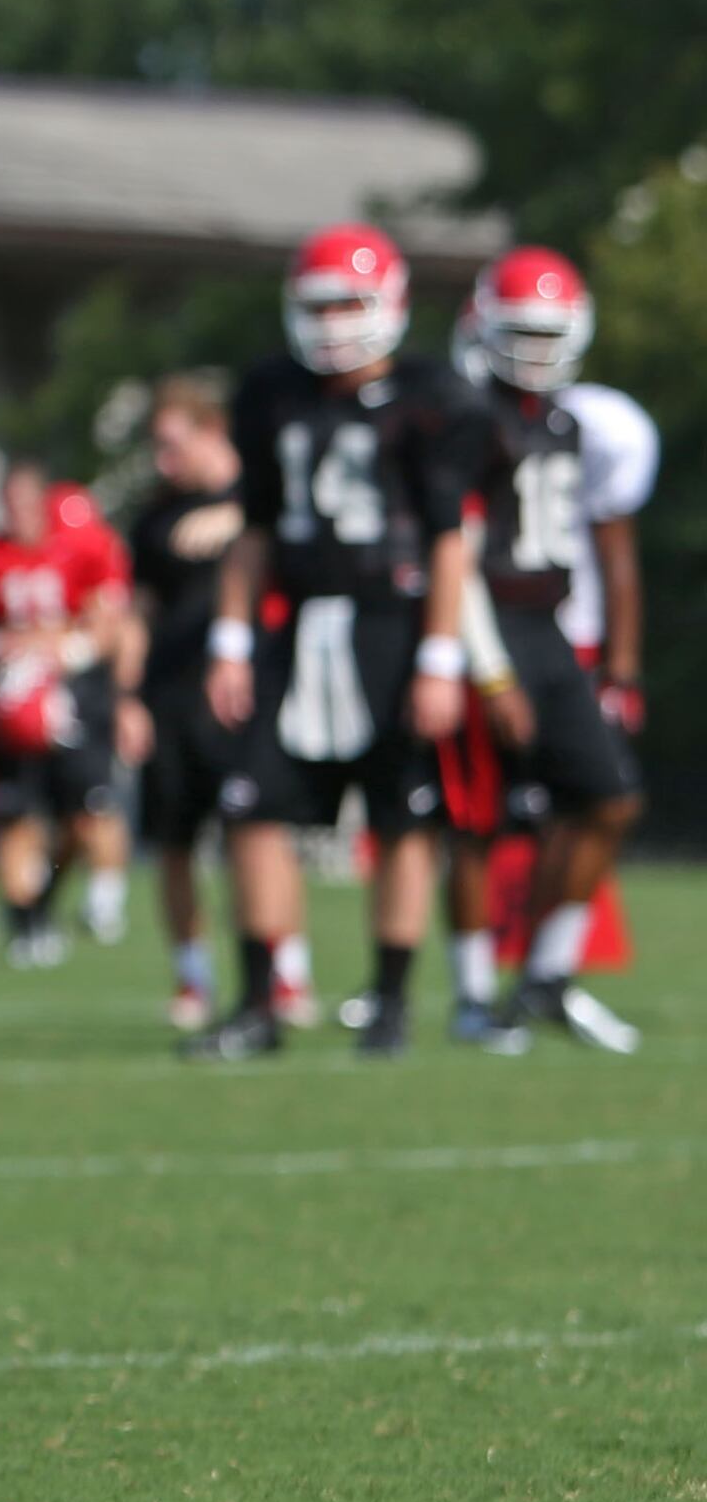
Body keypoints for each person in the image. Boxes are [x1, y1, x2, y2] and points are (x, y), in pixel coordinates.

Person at [189, 223, 486, 1063]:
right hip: (299, 621)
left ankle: (389, 1002)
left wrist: (439, 656)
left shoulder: (434, 397)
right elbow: (252, 529)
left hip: (393, 625)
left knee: (404, 818)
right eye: (318, 305)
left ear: (389, 304)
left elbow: (448, 538)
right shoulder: (270, 393)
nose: (333, 323)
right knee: (252, 807)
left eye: (350, 302)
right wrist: (232, 640)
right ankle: (260, 1001)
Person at [443, 250, 646, 1053]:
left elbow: (606, 546)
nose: (533, 347)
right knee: (477, 823)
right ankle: (470, 999)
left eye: (547, 332)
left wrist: (617, 664)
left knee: (608, 798)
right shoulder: (468, 421)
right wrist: (488, 670)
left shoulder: (565, 420)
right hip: (484, 627)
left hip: (552, 631)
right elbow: (455, 555)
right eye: (519, 330)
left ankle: (547, 979)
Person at [0, 457, 131, 967]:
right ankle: (25, 922)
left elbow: (110, 626)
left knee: (87, 810)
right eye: (9, 503)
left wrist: (63, 650)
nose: (18, 513)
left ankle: (90, 898)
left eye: (27, 502)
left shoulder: (81, 547)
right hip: (5, 705)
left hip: (73, 698)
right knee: (15, 817)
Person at [117, 376, 247, 1030]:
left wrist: (238, 515)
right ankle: (193, 977)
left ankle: (283, 973)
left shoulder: (260, 498)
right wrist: (128, 697)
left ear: (212, 431)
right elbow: (138, 612)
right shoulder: (153, 516)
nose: (165, 460)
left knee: (257, 832)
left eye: (175, 444)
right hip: (169, 695)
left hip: (242, 694)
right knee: (175, 842)